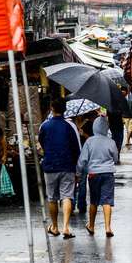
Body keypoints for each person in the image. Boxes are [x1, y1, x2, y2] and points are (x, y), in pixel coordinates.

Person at [39, 98, 81, 239]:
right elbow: (77, 148)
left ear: (52, 107)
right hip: (67, 165)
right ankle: (66, 227)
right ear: (65, 109)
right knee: (67, 196)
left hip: (50, 165)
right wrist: (78, 168)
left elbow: (41, 142)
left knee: (52, 197)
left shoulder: (44, 126)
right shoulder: (71, 126)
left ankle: (55, 226)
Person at [77, 116, 119, 237]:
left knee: (94, 201)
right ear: (106, 128)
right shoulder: (111, 142)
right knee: (107, 201)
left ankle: (91, 225)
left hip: (94, 174)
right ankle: (108, 227)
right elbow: (116, 158)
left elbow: (83, 159)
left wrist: (78, 173)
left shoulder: (89, 141)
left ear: (94, 127)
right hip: (108, 174)